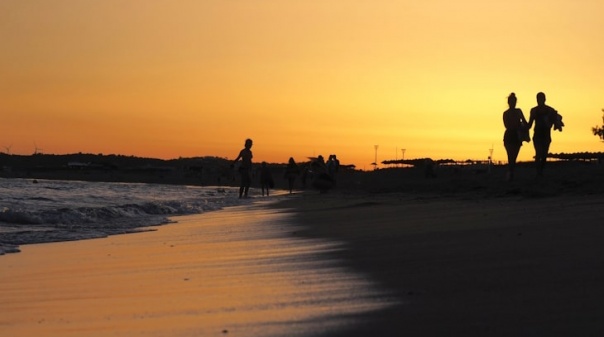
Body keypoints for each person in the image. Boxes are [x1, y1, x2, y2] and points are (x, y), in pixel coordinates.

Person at [527, 92, 559, 177]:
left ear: (544, 99)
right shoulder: (534, 110)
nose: (539, 100)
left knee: (544, 155)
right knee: (538, 153)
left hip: (546, 135)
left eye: (541, 98)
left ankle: (541, 171)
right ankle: (538, 172)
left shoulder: (550, 110)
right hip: (537, 135)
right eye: (538, 99)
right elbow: (530, 124)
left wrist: (555, 124)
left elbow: (556, 121)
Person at [502, 92, 528, 181]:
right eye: (512, 102)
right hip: (510, 136)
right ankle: (510, 173)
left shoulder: (518, 111)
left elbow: (525, 122)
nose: (513, 103)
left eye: (514, 102)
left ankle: (510, 173)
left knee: (513, 157)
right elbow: (507, 125)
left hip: (516, 136)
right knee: (511, 156)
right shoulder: (506, 113)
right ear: (509, 102)